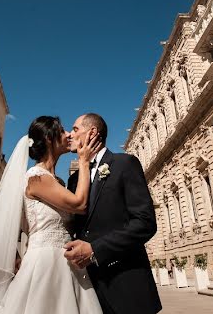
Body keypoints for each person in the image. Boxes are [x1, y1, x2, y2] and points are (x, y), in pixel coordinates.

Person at [0, 116, 103, 314]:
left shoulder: (58, 182)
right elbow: (80, 204)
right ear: (49, 138)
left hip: (68, 264)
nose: (69, 135)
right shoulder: (36, 178)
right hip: (44, 265)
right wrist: (83, 161)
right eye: (63, 130)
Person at [64, 113, 162, 314]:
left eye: (75, 130)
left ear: (92, 133)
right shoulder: (73, 181)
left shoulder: (124, 164)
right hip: (88, 289)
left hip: (127, 285)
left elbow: (145, 223)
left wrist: (95, 249)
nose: (69, 135)